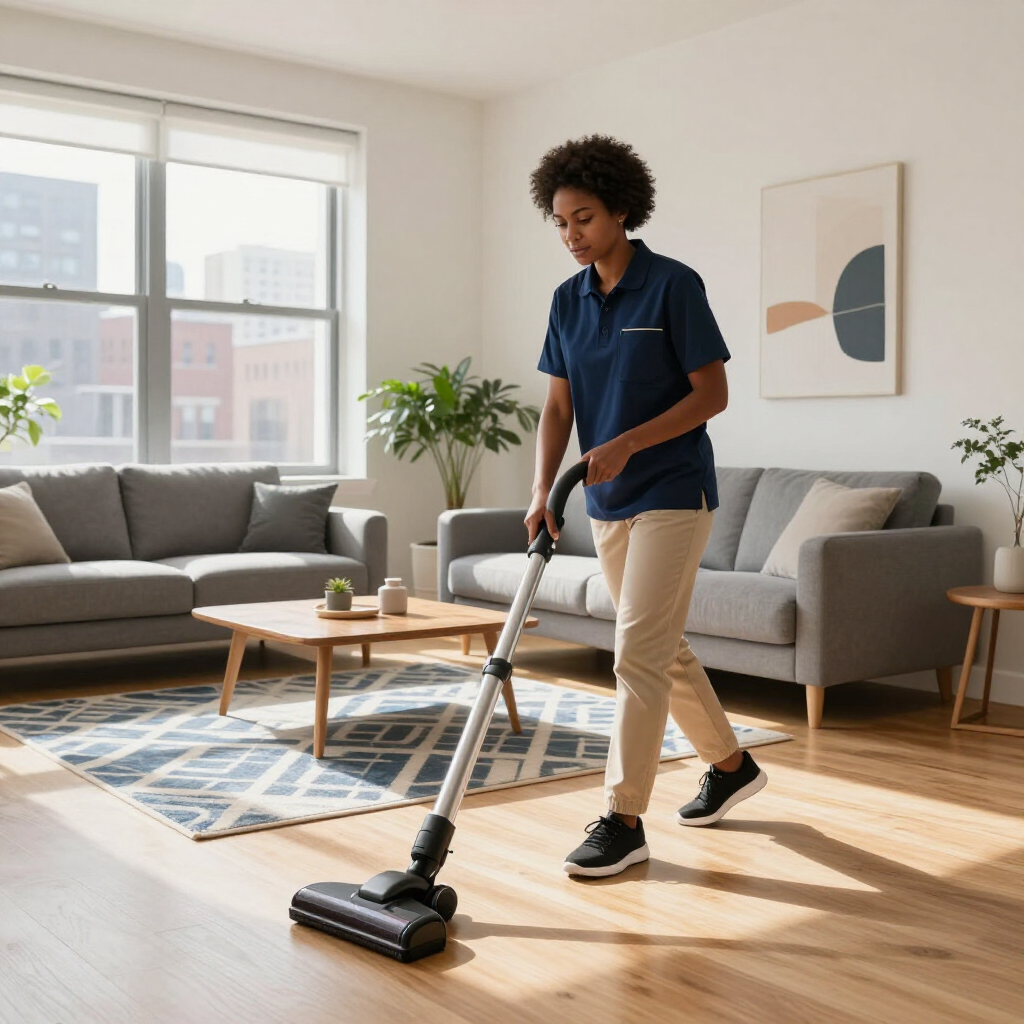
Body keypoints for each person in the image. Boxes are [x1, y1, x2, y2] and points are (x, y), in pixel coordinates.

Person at [526, 135, 767, 878]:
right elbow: (559, 407)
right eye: (561, 222)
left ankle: (622, 817)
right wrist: (541, 488)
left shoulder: (672, 285)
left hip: (673, 491)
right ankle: (729, 766)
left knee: (635, 651)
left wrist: (629, 442)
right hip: (604, 499)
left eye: (585, 219)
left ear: (622, 210)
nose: (572, 236)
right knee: (660, 645)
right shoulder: (567, 301)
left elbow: (711, 395)